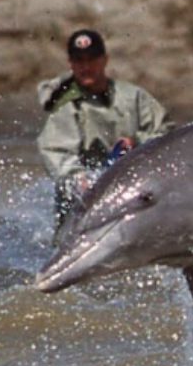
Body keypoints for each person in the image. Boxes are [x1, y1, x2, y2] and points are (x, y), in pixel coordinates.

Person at [37, 29, 172, 232]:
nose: (85, 67)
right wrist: (79, 180)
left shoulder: (134, 97)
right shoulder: (66, 106)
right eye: (79, 61)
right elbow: (57, 154)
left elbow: (167, 135)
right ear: (70, 64)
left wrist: (136, 141)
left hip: (135, 191)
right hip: (83, 203)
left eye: (91, 60)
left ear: (105, 60)